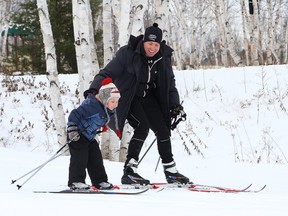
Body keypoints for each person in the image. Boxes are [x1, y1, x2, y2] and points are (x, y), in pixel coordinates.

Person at [85, 23, 190, 185]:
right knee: (142, 126)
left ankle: (171, 172)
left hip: (148, 97)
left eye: (156, 45)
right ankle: (130, 171)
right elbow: (107, 73)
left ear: (160, 44)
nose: (152, 48)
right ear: (144, 42)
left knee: (163, 129)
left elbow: (170, 83)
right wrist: (94, 90)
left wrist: (175, 105)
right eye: (150, 44)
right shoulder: (128, 53)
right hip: (128, 96)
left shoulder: (164, 57)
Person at [67, 77, 121, 190]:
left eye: (117, 101)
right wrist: (72, 129)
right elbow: (75, 114)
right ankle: (76, 181)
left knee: (95, 158)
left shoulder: (105, 107)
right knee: (80, 158)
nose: (115, 104)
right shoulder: (91, 106)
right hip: (77, 134)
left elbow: (105, 117)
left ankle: (100, 181)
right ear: (105, 98)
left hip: (89, 136)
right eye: (113, 101)